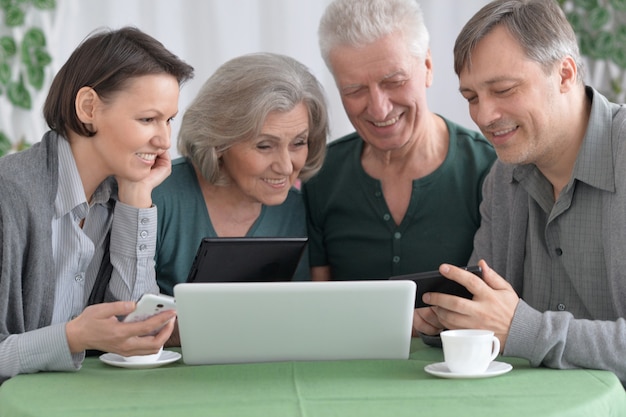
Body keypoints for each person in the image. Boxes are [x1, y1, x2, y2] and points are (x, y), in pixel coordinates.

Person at [414, 0, 626, 384]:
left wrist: (525, 330)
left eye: (503, 90)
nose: (483, 116)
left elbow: (514, 327)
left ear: (564, 74)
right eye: (472, 97)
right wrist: (449, 319)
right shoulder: (502, 179)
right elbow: (490, 315)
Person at [0, 26, 194, 384]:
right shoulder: (9, 194)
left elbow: (134, 332)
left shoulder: (120, 192)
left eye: (168, 120)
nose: (164, 139)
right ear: (89, 107)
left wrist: (136, 197)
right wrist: (73, 337)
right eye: (147, 119)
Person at [303, 0, 497, 281]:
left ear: (428, 67)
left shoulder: (488, 169)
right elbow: (316, 305)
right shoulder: (321, 174)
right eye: (355, 90)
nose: (379, 109)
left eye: (394, 82)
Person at [153, 52, 328, 296]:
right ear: (219, 142)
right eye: (265, 146)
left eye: (298, 143)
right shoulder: (158, 196)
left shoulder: (294, 209)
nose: (286, 167)